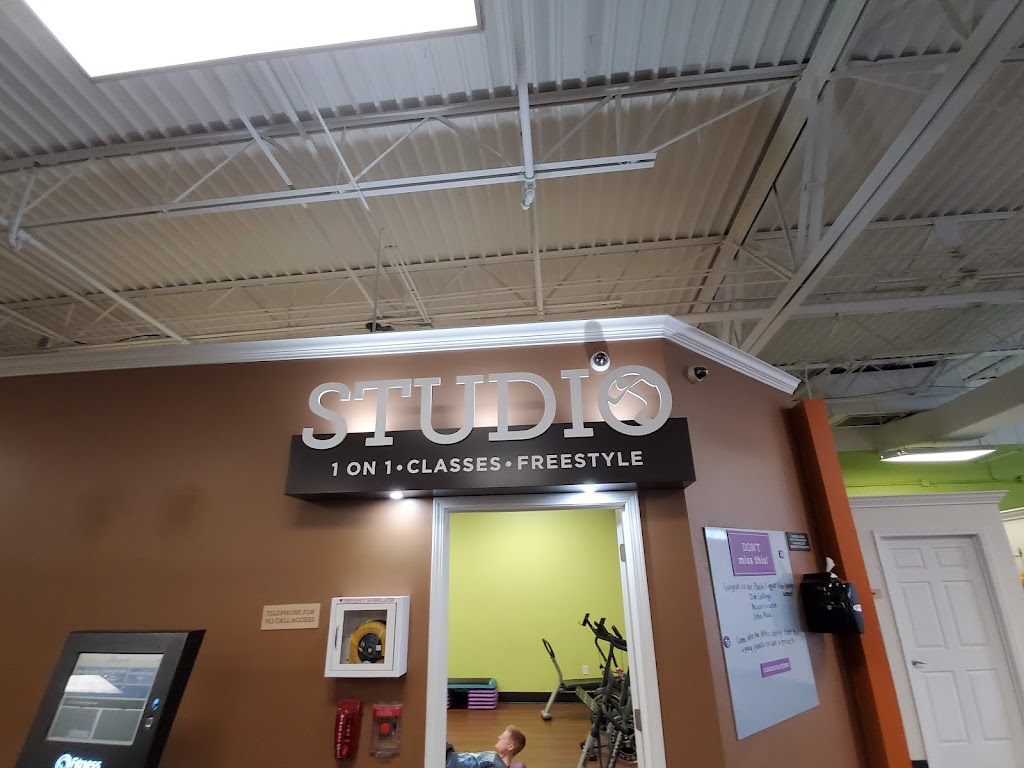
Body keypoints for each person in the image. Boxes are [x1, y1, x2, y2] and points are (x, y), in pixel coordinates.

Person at [445, 725, 526, 768]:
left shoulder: (498, 766)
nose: (499, 737)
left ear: (510, 747)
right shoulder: (495, 756)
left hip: (446, 762)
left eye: (503, 738)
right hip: (450, 754)